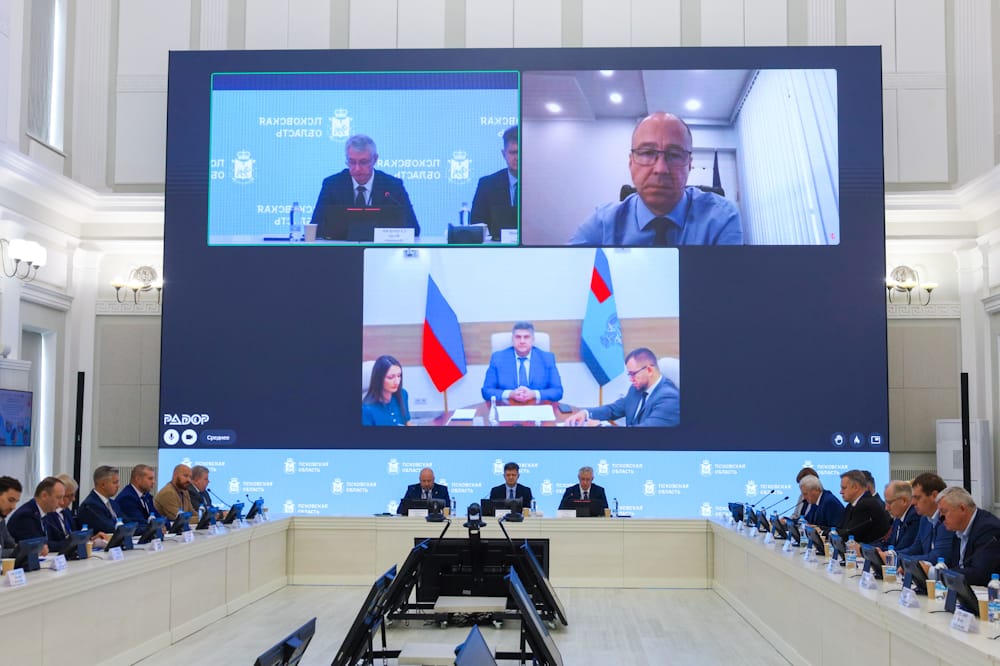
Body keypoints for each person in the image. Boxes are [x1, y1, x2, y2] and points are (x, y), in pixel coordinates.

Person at [569, 112, 742, 246]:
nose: (660, 169)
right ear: (631, 162)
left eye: (674, 155)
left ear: (689, 165)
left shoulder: (721, 218)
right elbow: (568, 274)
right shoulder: (603, 223)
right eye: (647, 153)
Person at [311, 134, 420, 240]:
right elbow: (315, 228)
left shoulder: (393, 186)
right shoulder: (332, 185)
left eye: (363, 162)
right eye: (352, 162)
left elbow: (413, 228)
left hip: (381, 250)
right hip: (342, 249)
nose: (357, 168)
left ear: (375, 159)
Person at [565, 348, 679, 427]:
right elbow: (613, 409)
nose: (631, 379)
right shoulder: (637, 388)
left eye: (633, 374)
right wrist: (585, 413)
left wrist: (600, 426)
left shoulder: (669, 399)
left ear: (649, 370)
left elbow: (643, 435)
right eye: (629, 375)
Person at [481, 322, 563, 404]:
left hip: (538, 407)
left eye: (526, 337)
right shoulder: (498, 358)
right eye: (518, 337)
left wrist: (534, 394)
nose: (522, 341)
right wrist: (510, 394)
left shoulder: (547, 358)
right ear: (512, 339)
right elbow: (486, 391)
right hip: (507, 407)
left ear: (533, 339)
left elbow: (558, 392)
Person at [936, 486, 1000, 586]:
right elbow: (956, 565)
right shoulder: (958, 529)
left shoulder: (988, 529)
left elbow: (979, 574)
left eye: (944, 512)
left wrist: (940, 574)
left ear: (962, 508)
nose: (941, 518)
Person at [896, 473, 956, 565]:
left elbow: (938, 557)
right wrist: (893, 555)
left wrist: (903, 560)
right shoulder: (924, 519)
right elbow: (916, 548)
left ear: (934, 496)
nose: (913, 503)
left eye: (918, 497)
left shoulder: (947, 519)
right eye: (913, 498)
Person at [471, 125, 518, 240]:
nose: (518, 157)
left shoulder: (541, 185)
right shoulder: (487, 185)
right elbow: (476, 226)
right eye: (513, 152)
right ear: (503, 154)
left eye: (522, 152)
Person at [7, 476, 63, 552]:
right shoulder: (25, 516)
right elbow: (37, 544)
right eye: (58, 497)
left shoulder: (47, 513)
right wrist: (68, 544)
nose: (62, 502)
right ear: (44, 495)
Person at [836, 469, 892, 544]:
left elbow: (850, 534)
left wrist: (824, 532)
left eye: (844, 488)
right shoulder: (851, 505)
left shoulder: (866, 505)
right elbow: (841, 529)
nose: (841, 492)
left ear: (855, 487)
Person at [362, 355, 411, 426]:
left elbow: (407, 422)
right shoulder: (367, 409)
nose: (397, 382)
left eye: (399, 376)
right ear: (379, 379)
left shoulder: (403, 394)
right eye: (391, 377)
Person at [78, 465, 123, 534]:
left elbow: (126, 521)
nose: (118, 485)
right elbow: (108, 527)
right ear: (103, 485)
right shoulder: (90, 506)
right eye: (115, 482)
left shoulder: (113, 503)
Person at [882, 480, 919, 551]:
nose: (886, 508)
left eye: (889, 503)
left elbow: (902, 548)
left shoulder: (914, 516)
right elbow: (888, 544)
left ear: (904, 501)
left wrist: (880, 553)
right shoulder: (898, 518)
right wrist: (867, 549)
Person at [0, 476, 23, 557]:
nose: (13, 507)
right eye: (10, 500)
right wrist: (23, 551)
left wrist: (29, 547)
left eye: (16, 502)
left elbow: (11, 544)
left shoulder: (1, 519)